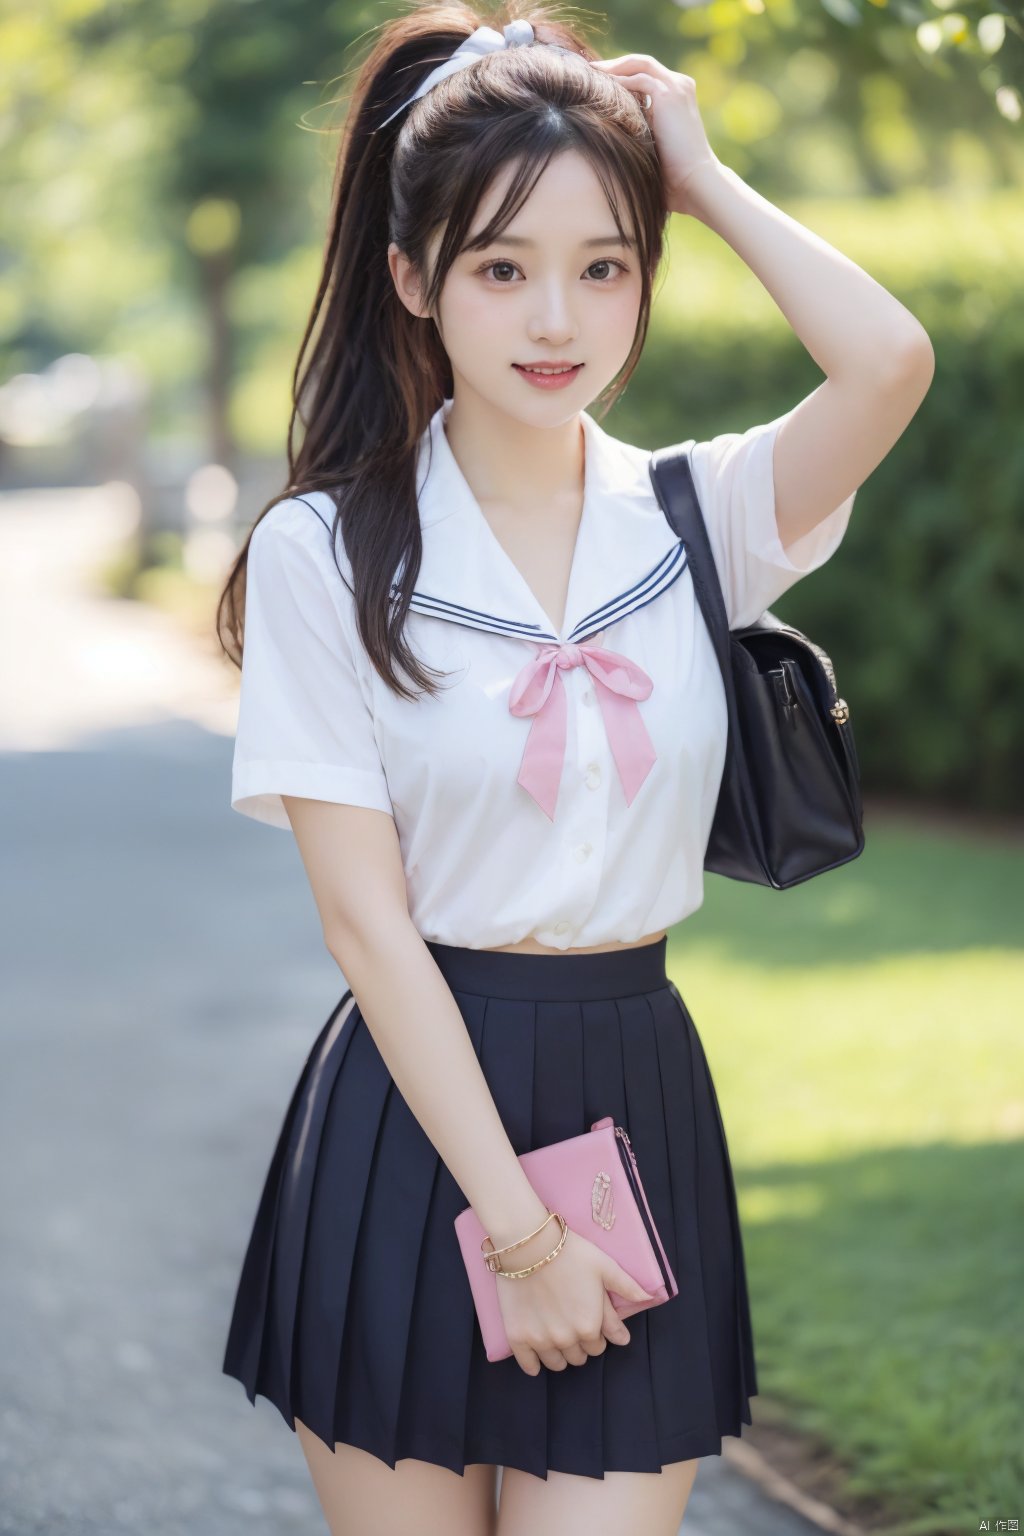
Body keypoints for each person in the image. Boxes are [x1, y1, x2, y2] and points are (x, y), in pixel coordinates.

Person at [215, 3, 935, 1532]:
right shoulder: (328, 554)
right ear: (413, 281)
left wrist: (706, 174)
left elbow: (886, 363)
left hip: (632, 1101)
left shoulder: (698, 520)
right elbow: (368, 928)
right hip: (418, 1117)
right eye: (502, 267)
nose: (559, 320)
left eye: (604, 265)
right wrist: (520, 1233)